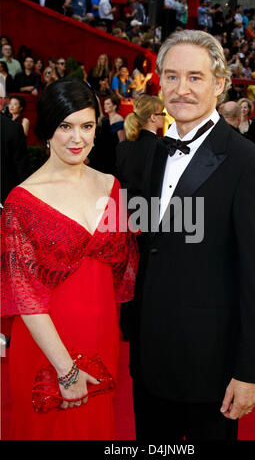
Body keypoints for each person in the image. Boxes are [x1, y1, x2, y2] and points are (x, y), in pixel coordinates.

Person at [123, 29, 255, 441]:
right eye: (171, 77)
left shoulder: (249, 164)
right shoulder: (155, 151)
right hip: (150, 358)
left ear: (220, 83)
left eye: (195, 77)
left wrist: (250, 372)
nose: (181, 89)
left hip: (211, 366)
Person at [1, 78, 138, 440]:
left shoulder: (110, 185)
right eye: (65, 126)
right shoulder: (21, 201)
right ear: (47, 130)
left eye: (87, 126)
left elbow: (116, 271)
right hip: (46, 348)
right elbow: (25, 298)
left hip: (102, 335)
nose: (77, 138)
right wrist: (66, 370)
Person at [116, 94, 165, 202]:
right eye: (162, 113)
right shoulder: (160, 147)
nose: (164, 116)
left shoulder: (122, 146)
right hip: (150, 209)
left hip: (125, 208)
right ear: (153, 117)